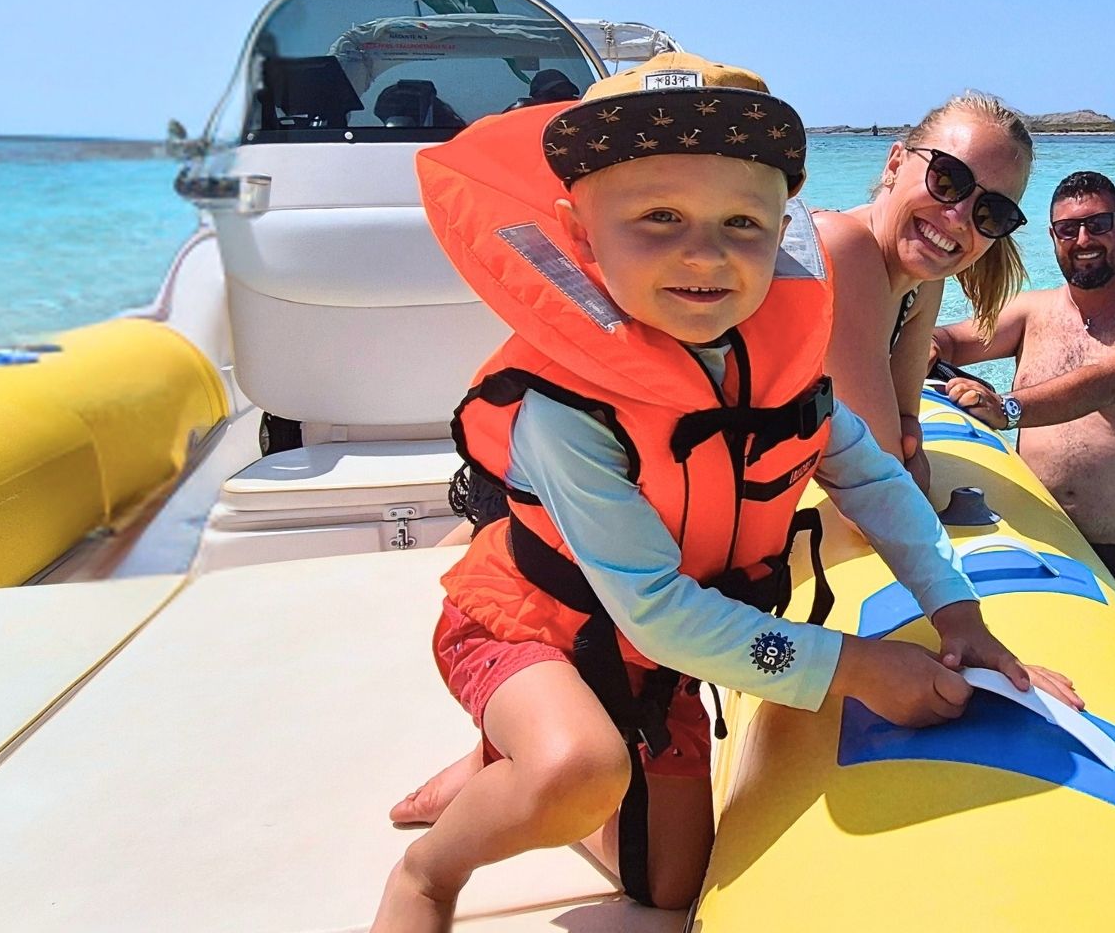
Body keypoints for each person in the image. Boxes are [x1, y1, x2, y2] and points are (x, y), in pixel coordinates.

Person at [375, 56, 1076, 931]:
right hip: (529, 626)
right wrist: (853, 669)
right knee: (577, 770)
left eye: (742, 223)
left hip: (652, 658)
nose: (704, 254)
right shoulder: (566, 412)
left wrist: (957, 612)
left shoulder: (777, 369)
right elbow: (660, 611)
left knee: (672, 887)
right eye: (659, 216)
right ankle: (433, 870)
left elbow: (871, 477)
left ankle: (504, 770)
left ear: (779, 230)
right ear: (580, 230)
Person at [931, 171, 1115, 640]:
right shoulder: (1033, 312)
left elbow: (1108, 380)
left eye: (1099, 224)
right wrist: (927, 345)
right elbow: (954, 339)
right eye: (1068, 230)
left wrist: (1007, 409)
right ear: (1053, 238)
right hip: (1037, 533)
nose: (1084, 240)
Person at [813, 93, 1033, 494]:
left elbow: (903, 421)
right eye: (947, 179)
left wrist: (903, 448)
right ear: (895, 164)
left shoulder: (923, 279)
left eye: (992, 213)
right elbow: (881, 483)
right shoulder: (842, 246)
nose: (958, 218)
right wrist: (900, 459)